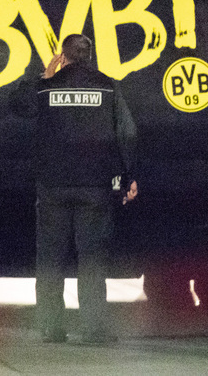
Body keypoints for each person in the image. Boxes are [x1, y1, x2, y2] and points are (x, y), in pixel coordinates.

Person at [11, 34, 138, 345]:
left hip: (53, 186)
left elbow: (17, 105)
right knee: (92, 258)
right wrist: (128, 175)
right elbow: (127, 131)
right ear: (90, 56)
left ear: (63, 57)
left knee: (51, 258)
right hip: (95, 187)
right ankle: (94, 330)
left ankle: (51, 328)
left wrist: (42, 76)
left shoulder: (46, 87)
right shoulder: (107, 86)